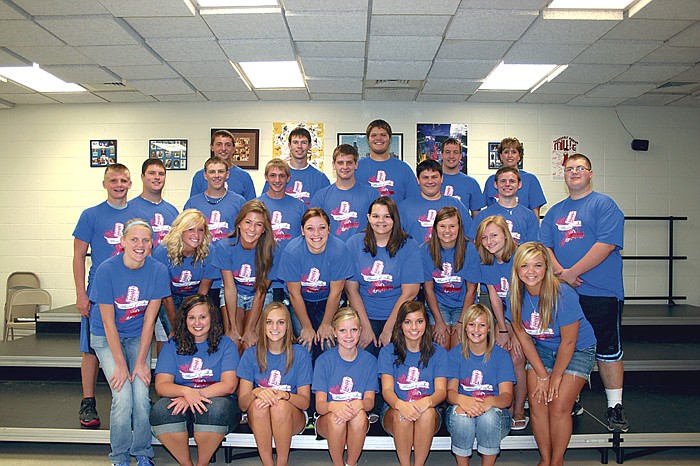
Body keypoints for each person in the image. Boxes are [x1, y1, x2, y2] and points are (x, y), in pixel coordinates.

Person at [538, 153, 628, 432]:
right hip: (565, 292)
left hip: (601, 292)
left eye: (580, 168)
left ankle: (615, 406)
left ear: (590, 173)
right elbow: (545, 247)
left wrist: (572, 272)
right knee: (569, 345)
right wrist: (562, 274)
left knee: (606, 349)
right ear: (563, 175)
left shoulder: (604, 205)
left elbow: (607, 244)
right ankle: (572, 396)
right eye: (569, 169)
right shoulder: (555, 211)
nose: (574, 172)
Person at [507, 242, 597, 466]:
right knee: (537, 401)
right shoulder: (514, 296)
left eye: (538, 265)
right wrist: (542, 375)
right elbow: (525, 338)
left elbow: (569, 341)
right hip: (543, 349)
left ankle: (557, 460)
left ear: (546, 268)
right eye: (525, 266)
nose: (531, 272)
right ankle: (545, 460)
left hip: (577, 350)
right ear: (517, 270)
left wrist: (555, 378)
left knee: (558, 405)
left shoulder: (563, 293)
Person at [89, 218, 170, 466]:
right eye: (134, 239)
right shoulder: (106, 270)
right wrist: (121, 365)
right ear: (122, 242)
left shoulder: (157, 271)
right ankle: (120, 456)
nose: (140, 245)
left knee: (141, 394)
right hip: (106, 336)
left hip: (138, 336)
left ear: (152, 244)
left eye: (146, 240)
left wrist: (143, 362)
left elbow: (149, 321)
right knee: (123, 396)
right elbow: (108, 322)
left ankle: (143, 452)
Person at [72, 163, 141, 428]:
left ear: (131, 183)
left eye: (124, 180)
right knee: (91, 349)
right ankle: (88, 400)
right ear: (104, 184)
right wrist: (81, 293)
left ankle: (134, 402)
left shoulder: (138, 214)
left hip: (133, 294)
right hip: (100, 293)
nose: (119, 185)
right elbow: (79, 256)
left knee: (132, 346)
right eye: (114, 180)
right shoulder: (91, 215)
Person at [150, 294, 241, 466]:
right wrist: (186, 392)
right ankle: (186, 463)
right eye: (191, 318)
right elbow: (162, 385)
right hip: (182, 404)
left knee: (216, 409)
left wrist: (195, 395)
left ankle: (202, 463)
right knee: (161, 410)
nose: (197, 323)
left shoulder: (226, 345)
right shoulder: (171, 346)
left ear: (211, 318)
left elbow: (229, 385)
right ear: (184, 320)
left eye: (202, 317)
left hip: (216, 405)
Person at [345, 197, 423, 354]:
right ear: (368, 218)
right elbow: (351, 290)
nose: (381, 221)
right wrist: (365, 327)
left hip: (399, 316)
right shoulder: (354, 243)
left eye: (387, 216)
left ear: (395, 219)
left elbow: (410, 292)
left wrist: (390, 327)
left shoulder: (409, 245)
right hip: (364, 315)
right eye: (375, 216)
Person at [238, 302, 313, 466]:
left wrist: (284, 395)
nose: (275, 327)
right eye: (269, 322)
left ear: (288, 326)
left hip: (293, 416)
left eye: (281, 322)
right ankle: (267, 463)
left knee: (279, 406)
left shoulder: (300, 354)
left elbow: (305, 402)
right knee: (258, 405)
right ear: (262, 325)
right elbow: (243, 405)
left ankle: (282, 462)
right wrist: (255, 392)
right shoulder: (251, 354)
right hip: (260, 416)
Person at [277, 208, 354, 361]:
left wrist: (326, 323)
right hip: (301, 301)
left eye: (322, 228)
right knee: (306, 344)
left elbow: (336, 293)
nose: (316, 234)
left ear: (329, 229)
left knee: (329, 342)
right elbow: (294, 294)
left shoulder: (339, 250)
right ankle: (305, 384)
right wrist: (306, 327)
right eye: (310, 229)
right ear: (302, 230)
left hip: (328, 300)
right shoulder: (292, 251)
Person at [474, 215, 528, 431]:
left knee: (517, 357)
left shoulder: (520, 255)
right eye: (485, 237)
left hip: (528, 315)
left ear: (506, 234)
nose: (489, 241)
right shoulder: (487, 262)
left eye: (494, 235)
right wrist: (503, 329)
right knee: (498, 349)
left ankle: (519, 408)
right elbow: (495, 298)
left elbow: (526, 299)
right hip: (507, 316)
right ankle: (503, 401)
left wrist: (516, 332)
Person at [379, 301, 448, 466]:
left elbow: (441, 391)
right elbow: (387, 390)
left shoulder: (439, 353)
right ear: (400, 325)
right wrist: (400, 404)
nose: (414, 327)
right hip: (394, 409)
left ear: (426, 323)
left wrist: (426, 402)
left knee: (427, 414)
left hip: (428, 410)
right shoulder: (388, 352)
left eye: (419, 321)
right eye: (408, 322)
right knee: (403, 416)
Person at [446, 303, 515, 466]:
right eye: (471, 324)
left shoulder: (502, 356)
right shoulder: (455, 354)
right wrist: (463, 400)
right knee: (462, 416)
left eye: (482, 325)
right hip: (463, 410)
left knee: (488, 416)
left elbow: (506, 398)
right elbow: (450, 393)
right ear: (465, 328)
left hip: (495, 414)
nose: (476, 330)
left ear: (490, 328)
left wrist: (489, 402)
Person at [312, 307, 379, 466]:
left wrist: (360, 403)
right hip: (328, 418)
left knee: (360, 415)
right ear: (334, 332)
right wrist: (334, 406)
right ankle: (338, 464)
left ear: (360, 331)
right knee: (337, 419)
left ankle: (351, 463)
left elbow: (370, 402)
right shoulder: (323, 361)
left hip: (357, 417)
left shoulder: (369, 361)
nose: (349, 336)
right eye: (343, 330)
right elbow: (320, 407)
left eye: (354, 330)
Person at [212, 200, 278, 349]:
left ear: (264, 229)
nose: (252, 229)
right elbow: (229, 288)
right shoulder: (225, 247)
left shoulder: (272, 251)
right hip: (234, 292)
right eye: (248, 222)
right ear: (239, 223)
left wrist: (250, 329)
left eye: (258, 224)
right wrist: (232, 328)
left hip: (259, 294)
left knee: (249, 343)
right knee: (234, 342)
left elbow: (261, 292)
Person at [152, 209, 218, 351]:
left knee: (195, 332)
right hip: (169, 298)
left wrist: (195, 316)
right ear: (181, 231)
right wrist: (177, 326)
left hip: (194, 297)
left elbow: (202, 294)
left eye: (200, 230)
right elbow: (166, 296)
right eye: (190, 229)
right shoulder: (163, 252)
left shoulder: (209, 252)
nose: (196, 235)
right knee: (175, 336)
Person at [421, 207, 480, 349]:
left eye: (452, 226)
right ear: (435, 228)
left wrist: (461, 323)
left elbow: (471, 291)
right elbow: (428, 290)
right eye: (442, 226)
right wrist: (439, 322)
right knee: (441, 344)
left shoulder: (470, 250)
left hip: (463, 304)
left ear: (459, 227)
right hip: (439, 303)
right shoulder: (425, 250)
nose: (447, 231)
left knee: (457, 346)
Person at [257, 158, 306, 303]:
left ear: (288, 178)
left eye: (282, 176)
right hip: (265, 273)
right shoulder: (257, 205)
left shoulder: (299, 206)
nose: (277, 180)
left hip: (292, 275)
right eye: (272, 175)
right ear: (266, 177)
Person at [310, 144, 378, 242]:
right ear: (334, 165)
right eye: (340, 163)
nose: (345, 167)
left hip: (363, 251)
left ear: (356, 164)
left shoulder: (371, 194)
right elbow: (313, 229)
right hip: (332, 253)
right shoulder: (321, 197)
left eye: (349, 163)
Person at [398, 159, 472, 243]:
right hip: (415, 255)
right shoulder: (404, 207)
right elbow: (396, 239)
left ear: (442, 179)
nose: (430, 181)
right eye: (425, 177)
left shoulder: (455, 205)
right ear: (418, 180)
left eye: (434, 177)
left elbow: (468, 236)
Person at [469, 166, 540, 245]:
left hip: (519, 257)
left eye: (512, 181)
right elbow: (475, 244)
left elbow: (532, 248)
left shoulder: (529, 216)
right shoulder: (483, 216)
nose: (507, 184)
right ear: (496, 184)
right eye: (503, 181)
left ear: (519, 185)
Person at [184, 157, 247, 244]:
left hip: (229, 255)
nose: (216, 175)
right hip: (201, 255)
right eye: (212, 172)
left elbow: (245, 233)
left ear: (227, 174)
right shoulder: (192, 203)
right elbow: (185, 235)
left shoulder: (239, 202)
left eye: (221, 171)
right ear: (205, 175)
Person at [355, 119, 420, 202]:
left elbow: (413, 202)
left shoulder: (404, 169)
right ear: (368, 140)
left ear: (390, 139)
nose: (378, 138)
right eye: (374, 135)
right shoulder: (357, 168)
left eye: (383, 135)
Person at [263, 126, 330, 206]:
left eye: (304, 142)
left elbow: (326, 208)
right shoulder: (277, 176)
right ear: (289, 145)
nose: (299, 146)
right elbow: (265, 204)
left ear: (309, 146)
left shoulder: (320, 178)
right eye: (295, 142)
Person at [484, 137, 546, 217]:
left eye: (514, 152)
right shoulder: (491, 180)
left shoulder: (530, 180)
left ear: (519, 156)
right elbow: (488, 210)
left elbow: (535, 212)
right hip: (497, 227)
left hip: (523, 227)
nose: (510, 155)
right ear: (500, 156)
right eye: (506, 152)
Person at [190, 129, 256, 201]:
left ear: (234, 148)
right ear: (212, 147)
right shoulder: (200, 176)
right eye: (219, 144)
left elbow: (252, 207)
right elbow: (193, 207)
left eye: (228, 145)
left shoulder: (244, 177)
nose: (223, 148)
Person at [130, 158, 179, 248]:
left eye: (161, 174)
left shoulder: (172, 211)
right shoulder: (129, 209)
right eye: (152, 173)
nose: (157, 177)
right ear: (142, 176)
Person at [440, 137, 485, 219]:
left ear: (460, 156)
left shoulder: (471, 183)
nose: (451, 156)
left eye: (455, 152)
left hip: (463, 231)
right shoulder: (432, 181)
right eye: (447, 152)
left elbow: (477, 217)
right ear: (441, 155)